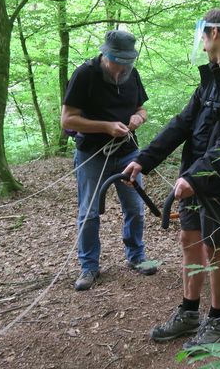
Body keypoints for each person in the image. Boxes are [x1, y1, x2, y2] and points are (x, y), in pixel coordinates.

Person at [123, 9, 220, 349]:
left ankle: (218, 320)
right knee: (189, 240)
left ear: (214, 33)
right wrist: (144, 159)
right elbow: (183, 123)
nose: (200, 41)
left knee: (214, 246)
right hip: (194, 174)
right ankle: (189, 313)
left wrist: (197, 178)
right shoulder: (212, 76)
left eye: (202, 33)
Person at [61, 30, 155, 292]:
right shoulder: (85, 75)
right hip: (91, 154)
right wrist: (105, 127)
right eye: (118, 61)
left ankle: (136, 257)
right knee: (89, 212)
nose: (122, 68)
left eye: (127, 62)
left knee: (135, 207)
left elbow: (142, 108)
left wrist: (139, 118)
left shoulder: (131, 75)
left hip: (127, 153)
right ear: (105, 54)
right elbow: (68, 120)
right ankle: (89, 266)